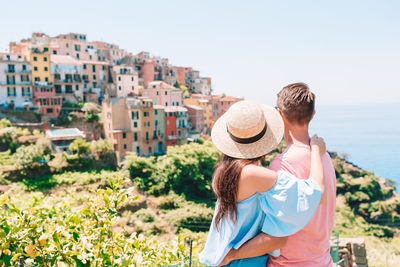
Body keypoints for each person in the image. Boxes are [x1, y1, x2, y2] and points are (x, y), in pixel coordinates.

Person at [199, 100, 327, 267]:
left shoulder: (225, 171)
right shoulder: (253, 174)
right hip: (242, 262)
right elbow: (318, 194)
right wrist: (316, 150)